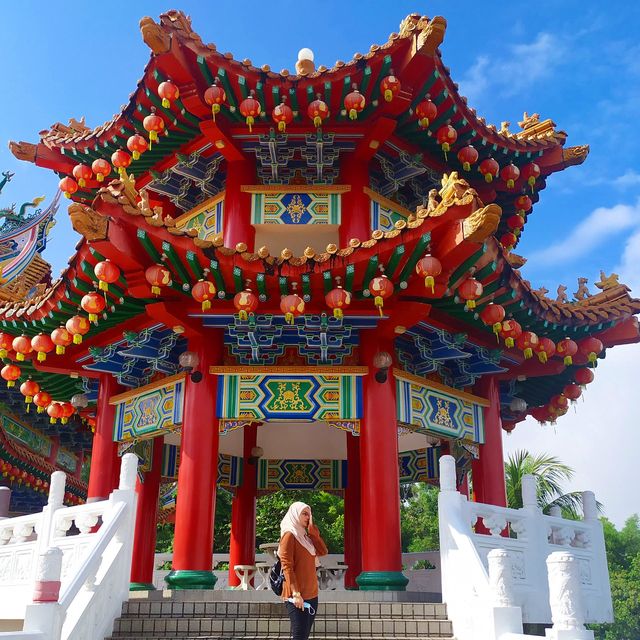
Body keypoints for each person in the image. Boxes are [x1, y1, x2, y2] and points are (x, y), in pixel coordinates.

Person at [278, 501, 328, 640]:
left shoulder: (305, 537)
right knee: (299, 637)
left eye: (309, 514)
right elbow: (287, 565)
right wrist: (296, 593)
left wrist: (313, 533)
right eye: (304, 514)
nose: (308, 517)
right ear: (295, 515)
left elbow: (323, 551)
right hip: (297, 596)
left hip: (312, 594)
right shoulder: (289, 535)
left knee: (304, 636)